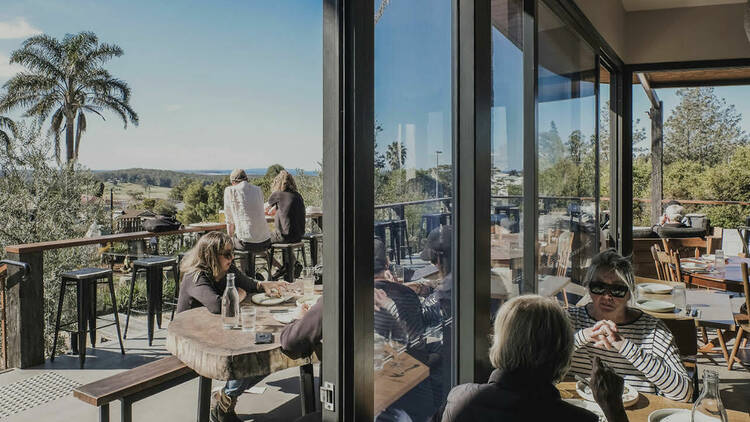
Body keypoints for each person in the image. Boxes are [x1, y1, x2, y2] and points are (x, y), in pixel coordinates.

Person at [438, 295, 629, 422]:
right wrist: (614, 409)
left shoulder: (460, 400)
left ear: (500, 342)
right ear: (563, 352)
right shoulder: (578, 419)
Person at [176, 231, 286, 422]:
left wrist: (265, 285)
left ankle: (225, 399)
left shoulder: (227, 269)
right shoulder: (196, 276)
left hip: (221, 331)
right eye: (226, 254)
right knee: (249, 359)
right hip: (195, 340)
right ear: (210, 255)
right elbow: (218, 305)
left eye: (232, 253)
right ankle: (225, 405)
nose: (231, 257)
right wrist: (239, 295)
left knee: (270, 354)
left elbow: (249, 284)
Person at [567, 249, 692, 402]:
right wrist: (582, 336)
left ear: (629, 293)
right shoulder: (570, 321)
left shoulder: (652, 330)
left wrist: (625, 346)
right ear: (588, 289)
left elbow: (683, 393)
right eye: (598, 287)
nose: (607, 297)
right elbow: (539, 368)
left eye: (617, 290)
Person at [223, 169, 272, 278]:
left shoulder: (230, 191)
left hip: (247, 244)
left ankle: (242, 278)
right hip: (265, 242)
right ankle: (252, 276)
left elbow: (229, 221)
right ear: (246, 179)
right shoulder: (258, 190)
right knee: (245, 240)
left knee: (229, 246)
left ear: (233, 182)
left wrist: (229, 238)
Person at [265, 169, 306, 278]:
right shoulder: (298, 195)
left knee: (259, 242)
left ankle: (280, 268)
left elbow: (265, 208)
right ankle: (293, 264)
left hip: (284, 236)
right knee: (285, 237)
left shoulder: (278, 194)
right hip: (299, 236)